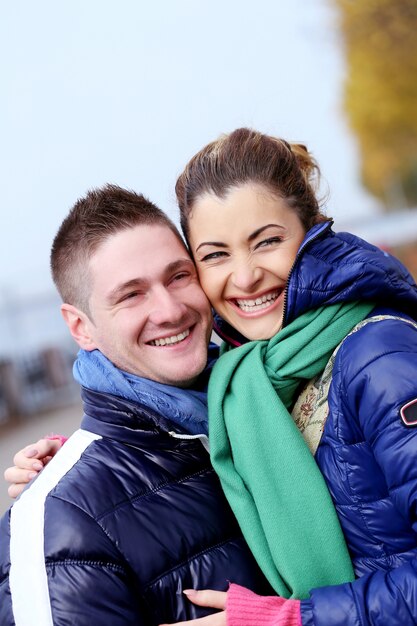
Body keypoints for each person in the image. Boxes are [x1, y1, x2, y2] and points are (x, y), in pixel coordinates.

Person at [7, 129, 417, 625]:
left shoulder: (377, 355)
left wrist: (291, 619)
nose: (244, 278)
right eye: (216, 255)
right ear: (79, 326)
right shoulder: (250, 388)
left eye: (266, 242)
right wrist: (79, 468)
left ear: (311, 233)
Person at [0, 184, 271, 626]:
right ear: (80, 327)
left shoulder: (264, 415)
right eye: (131, 294)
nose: (169, 309)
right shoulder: (57, 522)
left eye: (179, 276)